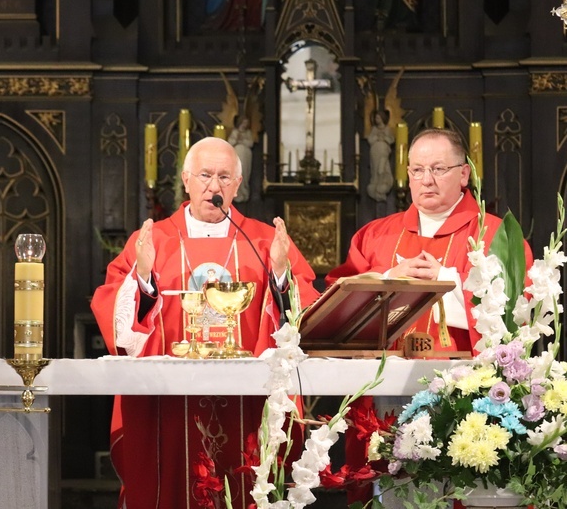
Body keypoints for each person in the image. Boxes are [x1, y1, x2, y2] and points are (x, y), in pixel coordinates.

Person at [91, 136, 319, 508]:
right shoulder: (154, 240)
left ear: (238, 185)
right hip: (170, 405)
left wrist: (280, 273)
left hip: (248, 405)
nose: (214, 186)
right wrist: (144, 276)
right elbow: (117, 313)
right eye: (205, 175)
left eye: (225, 177)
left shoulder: (264, 241)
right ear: (186, 180)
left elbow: (302, 311)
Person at [325, 127, 533, 505]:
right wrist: (389, 280)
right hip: (387, 399)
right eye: (417, 170)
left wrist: (446, 282)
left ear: (464, 174)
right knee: (395, 494)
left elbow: (515, 314)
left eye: (438, 168)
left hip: (467, 402)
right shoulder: (376, 236)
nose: (427, 180)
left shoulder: (495, 236)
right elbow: (337, 302)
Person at [366, 110, 395, 202]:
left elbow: (391, 139)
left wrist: (384, 138)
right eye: (375, 118)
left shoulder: (387, 129)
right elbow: (370, 140)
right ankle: (375, 182)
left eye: (378, 117)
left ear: (382, 118)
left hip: (383, 152)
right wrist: (377, 137)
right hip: (374, 152)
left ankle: (383, 182)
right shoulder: (374, 129)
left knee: (382, 169)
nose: (376, 119)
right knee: (375, 169)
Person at [228, 116, 254, 202]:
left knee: (245, 172)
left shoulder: (248, 133)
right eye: (244, 122)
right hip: (238, 153)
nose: (245, 124)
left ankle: (245, 191)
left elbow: (250, 143)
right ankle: (238, 193)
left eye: (247, 122)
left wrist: (242, 141)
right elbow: (230, 142)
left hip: (246, 154)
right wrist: (237, 140)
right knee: (238, 171)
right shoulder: (235, 132)